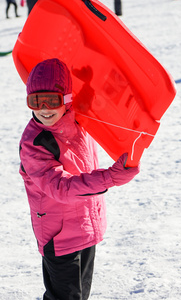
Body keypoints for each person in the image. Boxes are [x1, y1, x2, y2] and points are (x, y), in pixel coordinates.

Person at [19, 58, 140, 300]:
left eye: (51, 100)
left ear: (66, 99)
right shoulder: (35, 143)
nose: (43, 108)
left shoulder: (79, 121)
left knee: (80, 295)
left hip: (85, 226)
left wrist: (91, 80)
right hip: (59, 238)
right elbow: (60, 187)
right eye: (35, 101)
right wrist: (110, 178)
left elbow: (103, 101)